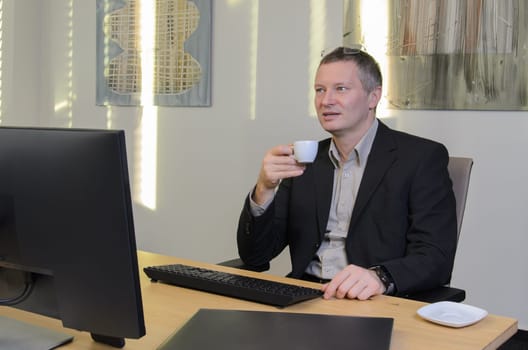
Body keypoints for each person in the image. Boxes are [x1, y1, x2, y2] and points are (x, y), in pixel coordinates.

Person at [236, 47, 457, 300]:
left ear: (373, 97)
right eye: (320, 90)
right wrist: (264, 189)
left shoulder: (420, 158)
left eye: (340, 88)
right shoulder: (304, 162)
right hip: (304, 297)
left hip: (371, 300)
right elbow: (255, 256)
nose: (326, 100)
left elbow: (435, 256)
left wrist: (380, 277)